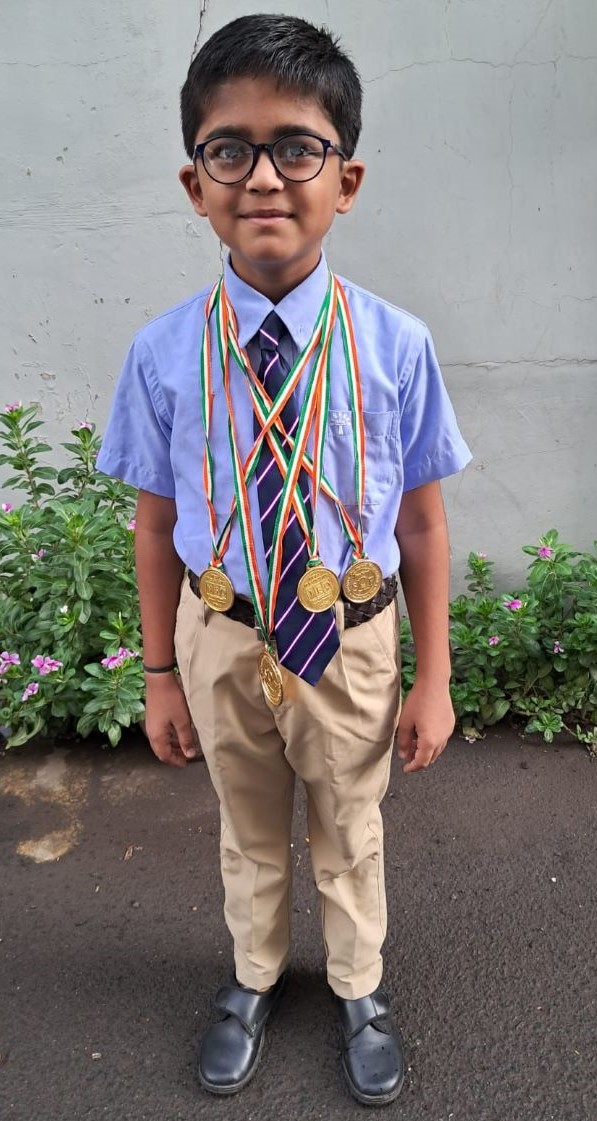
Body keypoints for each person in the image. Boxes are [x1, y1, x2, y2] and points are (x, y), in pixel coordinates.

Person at [97, 13, 471, 1107]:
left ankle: (359, 986)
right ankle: (253, 975)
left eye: (296, 147)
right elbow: (156, 525)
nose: (263, 176)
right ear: (195, 182)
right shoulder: (163, 352)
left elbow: (422, 527)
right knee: (248, 825)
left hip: (349, 637)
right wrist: (159, 674)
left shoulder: (395, 345)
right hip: (221, 636)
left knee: (351, 824)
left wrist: (436, 677)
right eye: (231, 149)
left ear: (344, 180)